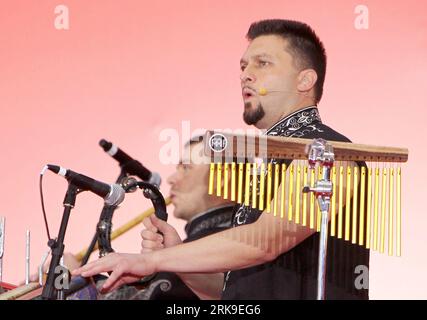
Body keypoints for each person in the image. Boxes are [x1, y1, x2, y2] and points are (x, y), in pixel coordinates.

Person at [73, 19, 370, 300]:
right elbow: (227, 293)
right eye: (243, 66)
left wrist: (151, 260)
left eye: (263, 63)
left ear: (305, 80)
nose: (245, 74)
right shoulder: (266, 164)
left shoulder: (330, 153)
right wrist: (177, 257)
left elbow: (266, 242)